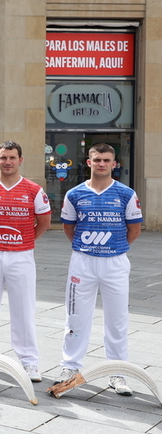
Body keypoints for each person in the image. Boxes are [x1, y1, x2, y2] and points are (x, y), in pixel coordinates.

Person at [56, 144, 142, 395]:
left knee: (117, 320)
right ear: (89, 162)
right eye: (97, 159)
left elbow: (134, 229)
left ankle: (117, 372)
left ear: (114, 164)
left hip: (115, 262)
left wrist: (113, 247)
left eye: (106, 160)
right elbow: (69, 228)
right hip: (82, 261)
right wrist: (87, 248)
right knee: (76, 317)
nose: (101, 163)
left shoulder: (126, 194)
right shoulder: (74, 194)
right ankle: (70, 367)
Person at [0, 141, 51, 382]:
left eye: (12, 157)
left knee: (24, 308)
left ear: (20, 160)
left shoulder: (34, 190)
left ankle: (29, 362)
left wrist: (23, 240)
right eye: (3, 157)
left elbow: (44, 222)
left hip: (21, 256)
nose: (7, 162)